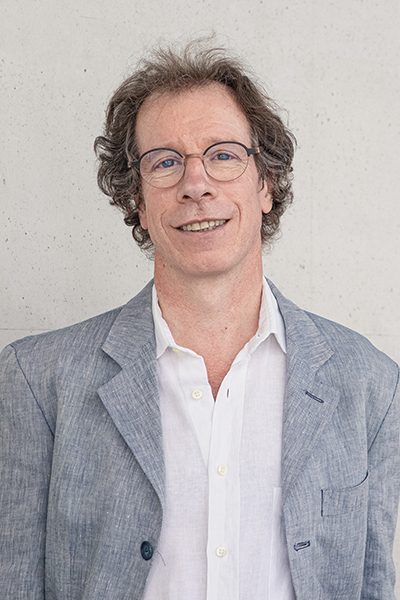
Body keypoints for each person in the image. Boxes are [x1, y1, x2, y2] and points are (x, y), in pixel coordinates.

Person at [1, 41, 399, 600]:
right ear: (139, 201)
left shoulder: (371, 384)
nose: (196, 183)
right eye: (165, 162)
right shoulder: (37, 380)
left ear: (265, 184)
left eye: (224, 155)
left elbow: (374, 582)